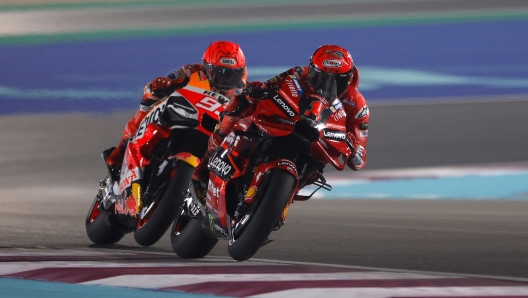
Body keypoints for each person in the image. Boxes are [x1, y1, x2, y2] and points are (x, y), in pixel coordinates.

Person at [192, 44, 369, 188]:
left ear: (349, 79)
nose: (328, 87)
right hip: (288, 122)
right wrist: (256, 90)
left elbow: (359, 160)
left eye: (337, 82)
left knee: (321, 163)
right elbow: (266, 87)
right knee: (242, 102)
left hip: (316, 141)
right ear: (312, 71)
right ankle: (207, 160)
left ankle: (281, 199)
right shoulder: (299, 73)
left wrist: (353, 149)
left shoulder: (357, 105)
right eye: (322, 78)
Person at [105, 40, 247, 181]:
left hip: (213, 133)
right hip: (186, 115)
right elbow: (157, 85)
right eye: (218, 73)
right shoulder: (191, 71)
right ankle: (122, 148)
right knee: (150, 99)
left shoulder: (245, 93)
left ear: (241, 73)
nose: (223, 80)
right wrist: (159, 86)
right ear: (206, 68)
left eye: (231, 75)